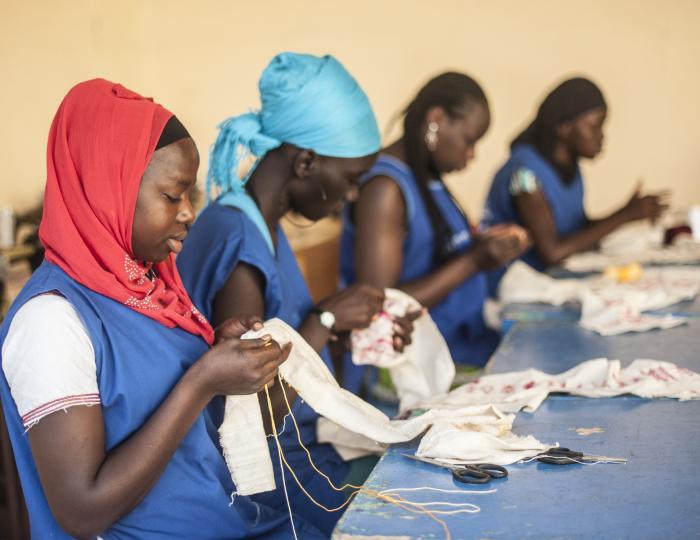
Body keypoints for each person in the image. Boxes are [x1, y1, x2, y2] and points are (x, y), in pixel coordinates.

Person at [0, 79, 323, 539]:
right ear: (106, 189)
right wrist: (202, 380)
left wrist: (216, 353)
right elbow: (83, 511)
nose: (189, 212)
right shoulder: (50, 320)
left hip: (225, 519)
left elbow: (166, 401)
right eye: (173, 196)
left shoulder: (149, 288)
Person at [177, 52, 414, 535]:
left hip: (303, 452)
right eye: (349, 181)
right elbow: (253, 412)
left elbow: (289, 345)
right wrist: (323, 322)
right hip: (272, 483)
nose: (351, 198)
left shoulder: (259, 224)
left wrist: (345, 330)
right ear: (306, 162)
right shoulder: (240, 241)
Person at [340, 72, 527, 374]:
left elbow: (443, 253)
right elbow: (380, 307)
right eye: (469, 140)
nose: (471, 154)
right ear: (437, 119)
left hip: (460, 344)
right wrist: (475, 260)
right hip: (411, 367)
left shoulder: (427, 180)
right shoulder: (385, 189)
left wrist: (488, 246)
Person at [482, 77, 667, 288]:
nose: (601, 136)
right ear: (564, 126)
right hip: (512, 292)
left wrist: (628, 212)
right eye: (594, 126)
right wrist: (624, 215)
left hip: (548, 284)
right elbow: (552, 252)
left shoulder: (571, 167)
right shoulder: (525, 173)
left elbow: (577, 231)